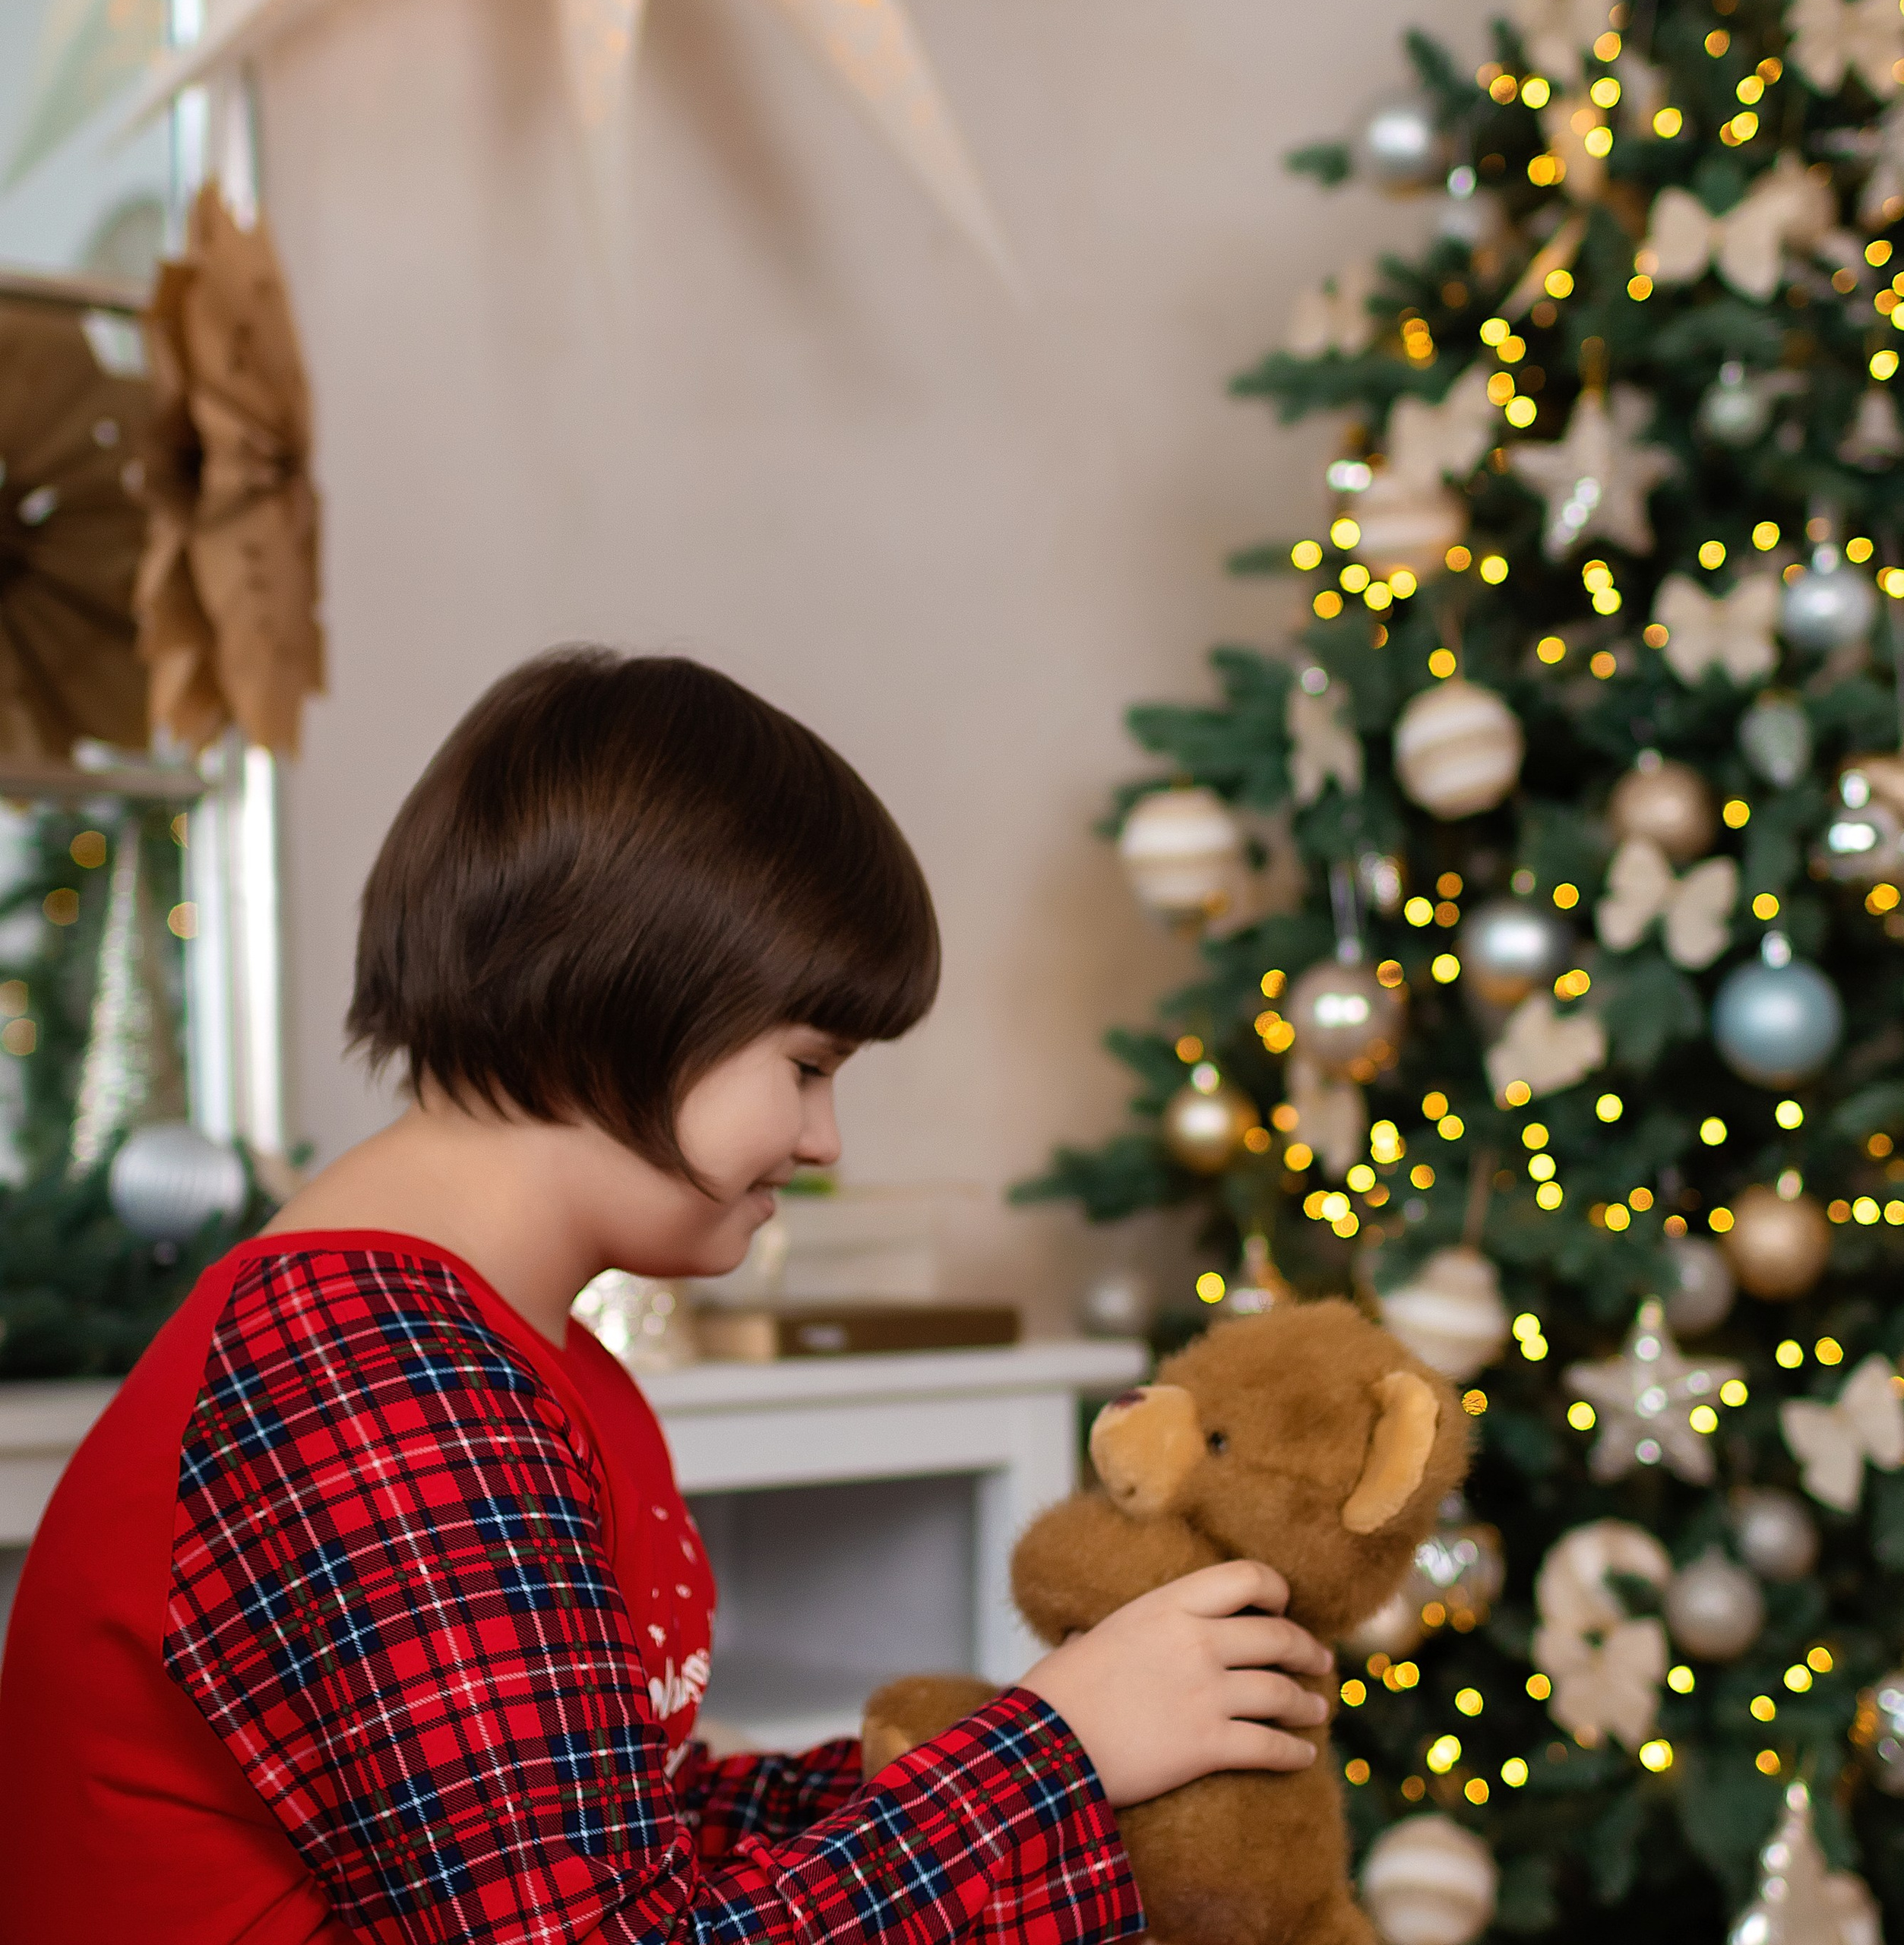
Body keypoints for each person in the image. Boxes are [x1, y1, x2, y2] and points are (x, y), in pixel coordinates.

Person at [0, 649, 1333, 1943]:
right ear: (615, 999)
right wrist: (1055, 1754)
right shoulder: (379, 1384)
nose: (823, 1141)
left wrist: (1006, 1741)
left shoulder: (496, 1352)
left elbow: (597, 1824)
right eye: (806, 1066)